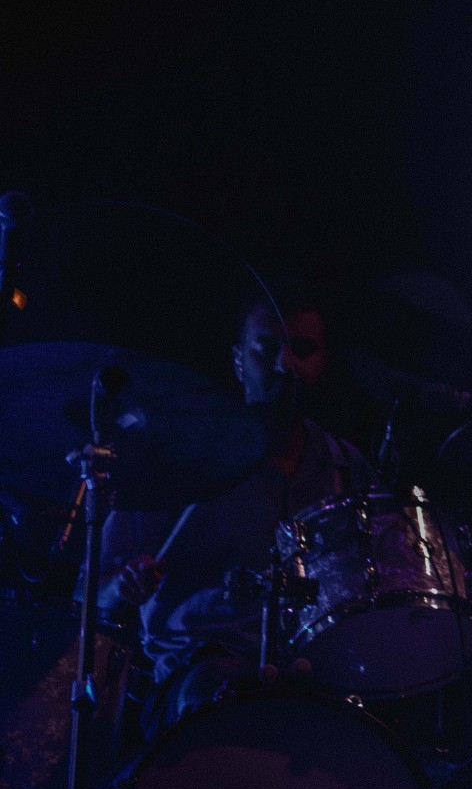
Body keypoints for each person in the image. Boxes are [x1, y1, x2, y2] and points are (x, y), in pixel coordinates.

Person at [95, 285, 375, 738]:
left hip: (313, 678)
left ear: (323, 362)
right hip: (196, 678)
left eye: (303, 350)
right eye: (267, 348)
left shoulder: (347, 467)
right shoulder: (180, 460)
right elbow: (91, 590)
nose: (286, 364)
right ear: (238, 360)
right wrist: (123, 585)